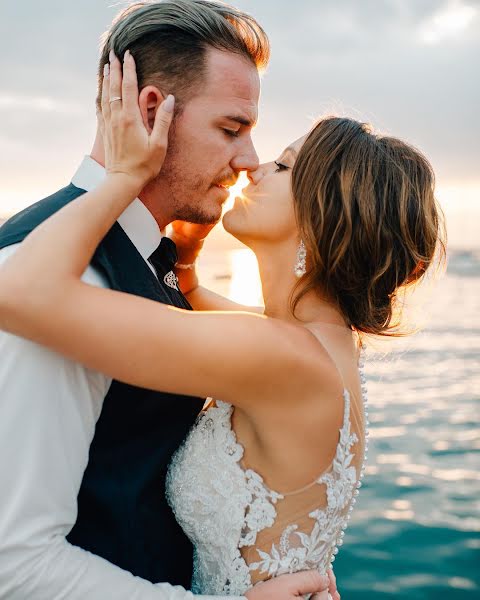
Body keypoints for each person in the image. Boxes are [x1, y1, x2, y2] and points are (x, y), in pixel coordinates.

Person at [0, 46, 445, 597]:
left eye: (282, 167)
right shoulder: (317, 346)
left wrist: (121, 178)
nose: (252, 167)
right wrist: (184, 261)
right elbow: (192, 299)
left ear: (320, 218)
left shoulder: (275, 355)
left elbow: (19, 290)